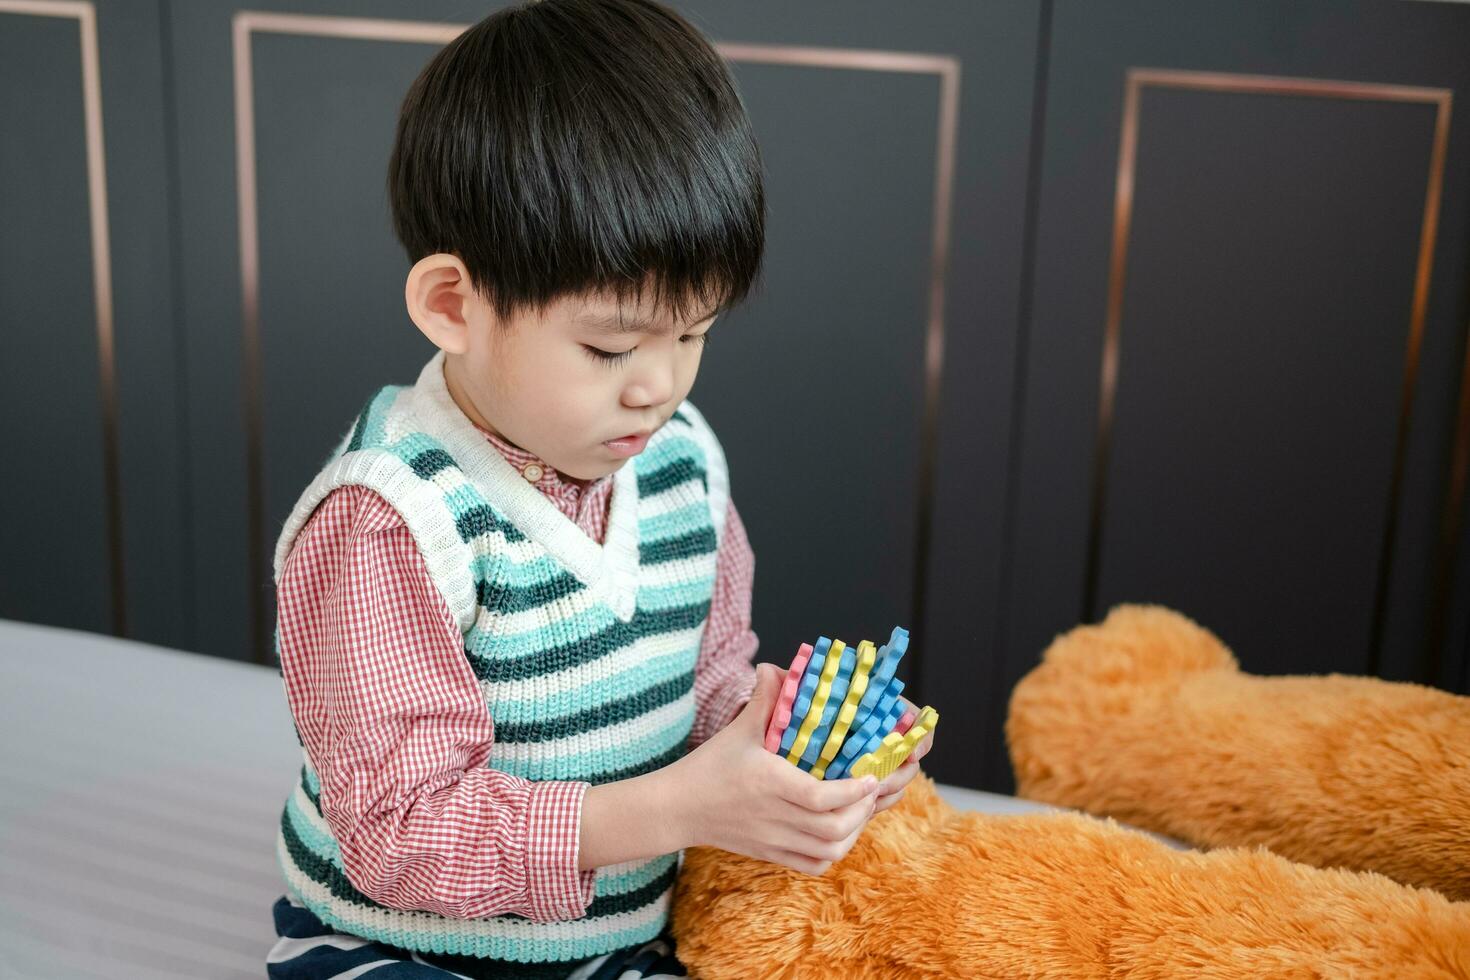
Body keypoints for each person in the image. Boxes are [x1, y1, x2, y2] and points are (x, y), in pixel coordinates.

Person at [264, 2, 934, 976]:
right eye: (610, 345)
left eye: (694, 332)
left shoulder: (678, 459)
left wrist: (798, 755)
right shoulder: (388, 521)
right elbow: (401, 831)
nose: (658, 383)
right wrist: (679, 807)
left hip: (622, 936)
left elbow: (705, 685)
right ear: (454, 304)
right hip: (402, 940)